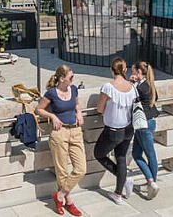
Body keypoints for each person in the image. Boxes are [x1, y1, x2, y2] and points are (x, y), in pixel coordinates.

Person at [35, 64, 86, 216]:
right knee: (62, 171)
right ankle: (68, 202)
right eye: (71, 77)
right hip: (59, 133)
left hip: (75, 131)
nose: (73, 79)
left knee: (81, 168)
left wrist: (79, 113)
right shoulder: (51, 93)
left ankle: (60, 195)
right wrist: (52, 116)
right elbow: (39, 109)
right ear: (62, 79)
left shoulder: (74, 89)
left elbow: (76, 104)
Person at [94, 57, 137, 205]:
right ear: (125, 70)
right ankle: (118, 194)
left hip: (113, 130)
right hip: (128, 128)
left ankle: (124, 180)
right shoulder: (132, 87)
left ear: (111, 70)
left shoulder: (108, 87)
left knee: (98, 154)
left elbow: (100, 108)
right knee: (121, 157)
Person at [131, 61, 160, 199]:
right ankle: (151, 181)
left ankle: (151, 183)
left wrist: (131, 84)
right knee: (138, 153)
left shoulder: (140, 87)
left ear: (138, 72)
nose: (131, 74)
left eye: (133, 71)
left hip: (143, 124)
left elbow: (130, 98)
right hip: (150, 122)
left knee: (148, 154)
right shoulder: (148, 84)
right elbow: (155, 97)